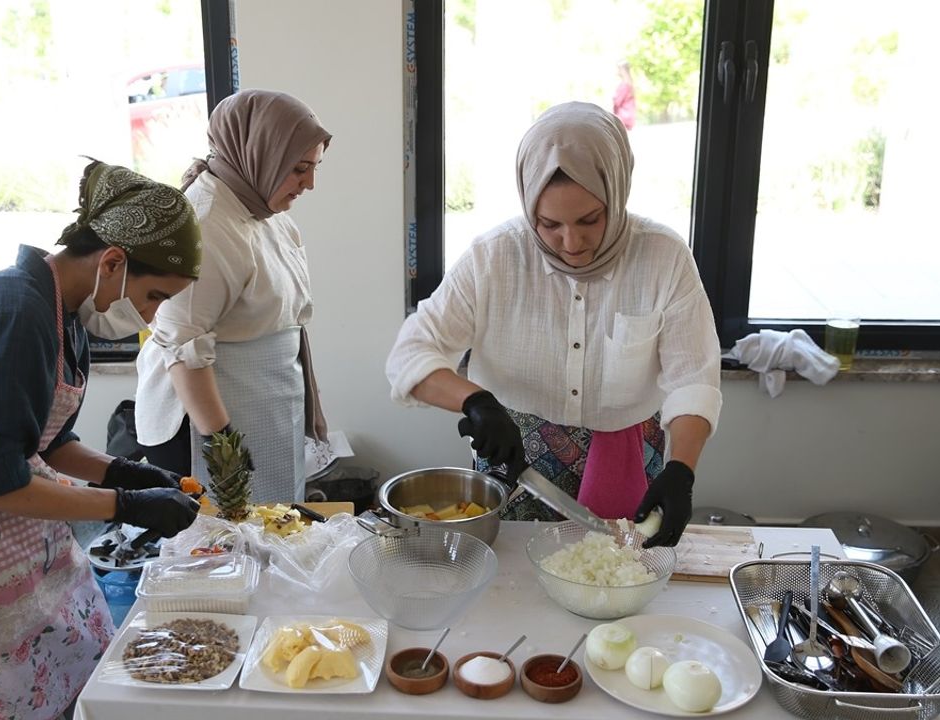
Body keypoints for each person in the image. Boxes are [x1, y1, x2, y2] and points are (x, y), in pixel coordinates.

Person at [0, 159, 203, 720]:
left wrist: (127, 472)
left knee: (62, 674)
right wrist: (125, 504)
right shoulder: (12, 312)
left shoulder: (62, 313)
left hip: (14, 530)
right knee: (5, 698)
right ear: (113, 262)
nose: (149, 316)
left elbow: (46, 441)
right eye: (153, 295)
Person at [385, 102, 721, 548]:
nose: (572, 242)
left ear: (616, 194)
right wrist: (476, 402)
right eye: (548, 224)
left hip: (629, 457)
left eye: (590, 220)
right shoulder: (494, 257)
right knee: (508, 585)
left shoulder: (663, 257)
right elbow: (410, 353)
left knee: (615, 577)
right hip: (515, 457)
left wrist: (682, 470)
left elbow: (692, 378)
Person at [135, 89, 332, 503]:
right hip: (207, 425)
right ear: (260, 154)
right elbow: (181, 348)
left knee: (272, 530)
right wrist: (223, 446)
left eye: (314, 168)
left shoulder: (261, 209)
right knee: (219, 549)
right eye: (299, 169)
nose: (310, 184)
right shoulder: (205, 225)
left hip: (263, 407)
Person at [613, 60, 637, 131]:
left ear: (622, 70)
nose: (617, 71)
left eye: (618, 69)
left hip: (623, 118)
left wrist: (614, 98)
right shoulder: (629, 83)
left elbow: (617, 102)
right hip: (628, 118)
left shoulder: (625, 85)